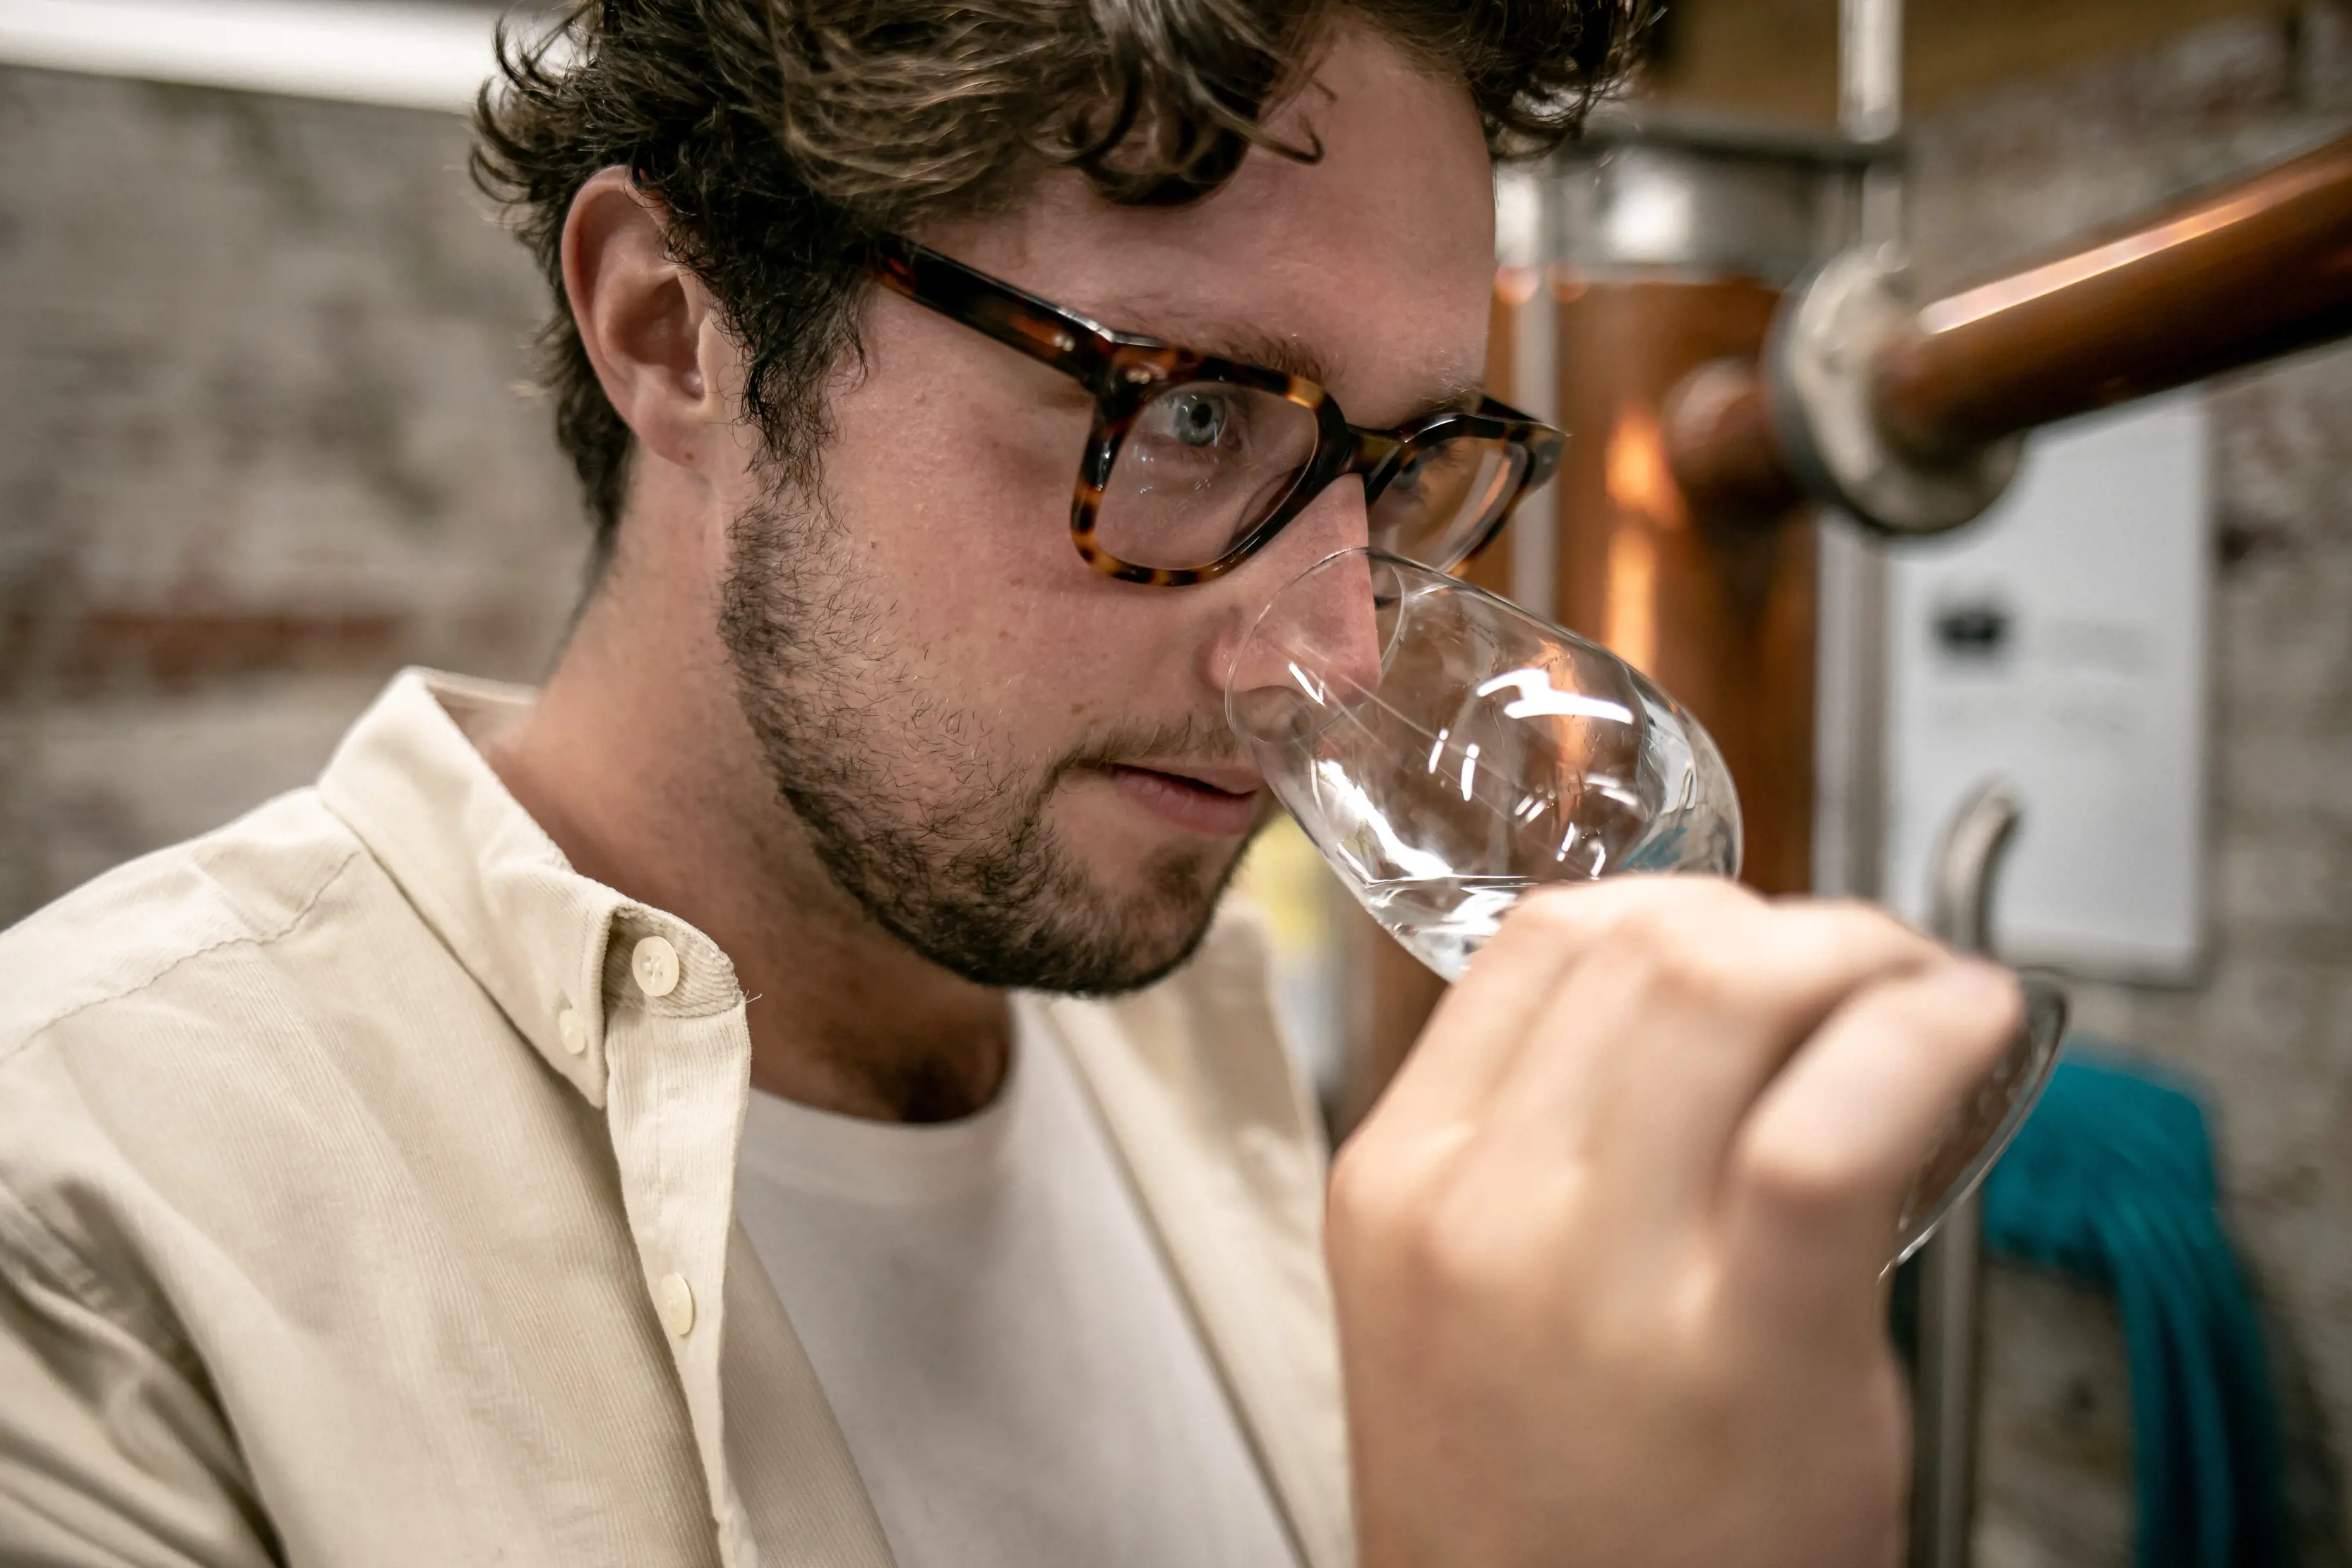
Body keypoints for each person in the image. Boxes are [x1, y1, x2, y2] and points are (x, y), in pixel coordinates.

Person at [0, 2, 2022, 1564]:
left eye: (1404, 471)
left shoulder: (1185, 1030)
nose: (1323, 649)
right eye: (1192, 413)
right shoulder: (92, 1221)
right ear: (672, 332)